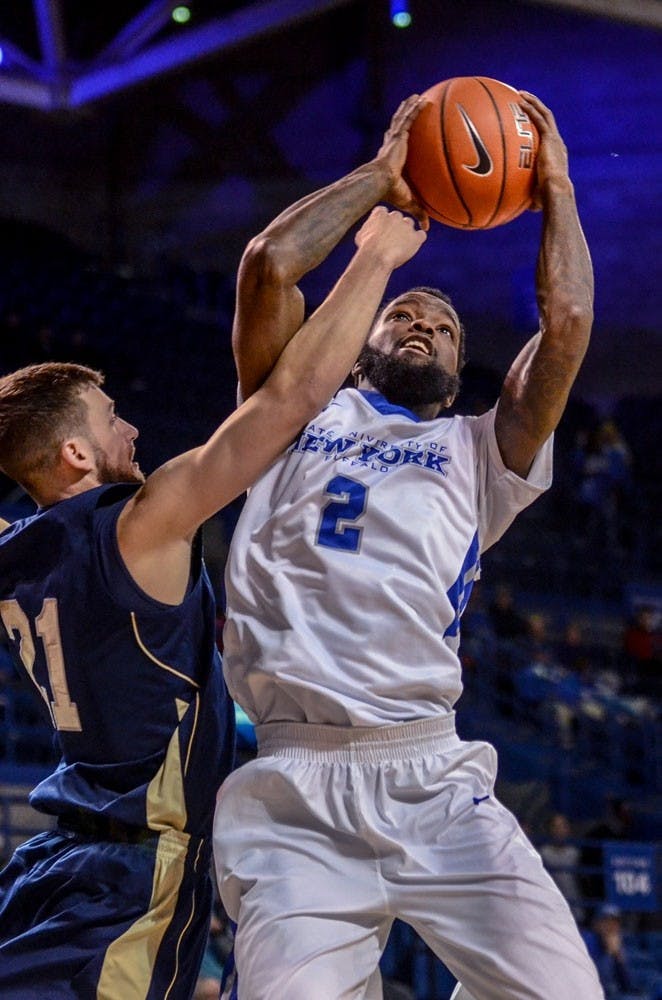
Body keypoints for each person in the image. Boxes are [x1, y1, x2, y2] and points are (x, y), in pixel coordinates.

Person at [0, 161, 426, 998]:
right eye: (109, 415)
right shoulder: (136, 524)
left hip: (52, 862)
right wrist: (375, 259)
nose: (131, 426)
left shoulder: (15, 549)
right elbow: (294, 397)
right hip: (133, 867)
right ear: (76, 455)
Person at [213, 87, 603, 1000]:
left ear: (463, 367)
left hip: (431, 772)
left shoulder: (480, 450)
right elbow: (271, 264)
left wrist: (560, 192)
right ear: (356, 347)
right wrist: (384, 177)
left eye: (444, 324)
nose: (424, 321)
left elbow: (569, 327)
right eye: (405, 314)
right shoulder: (290, 408)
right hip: (294, 788)